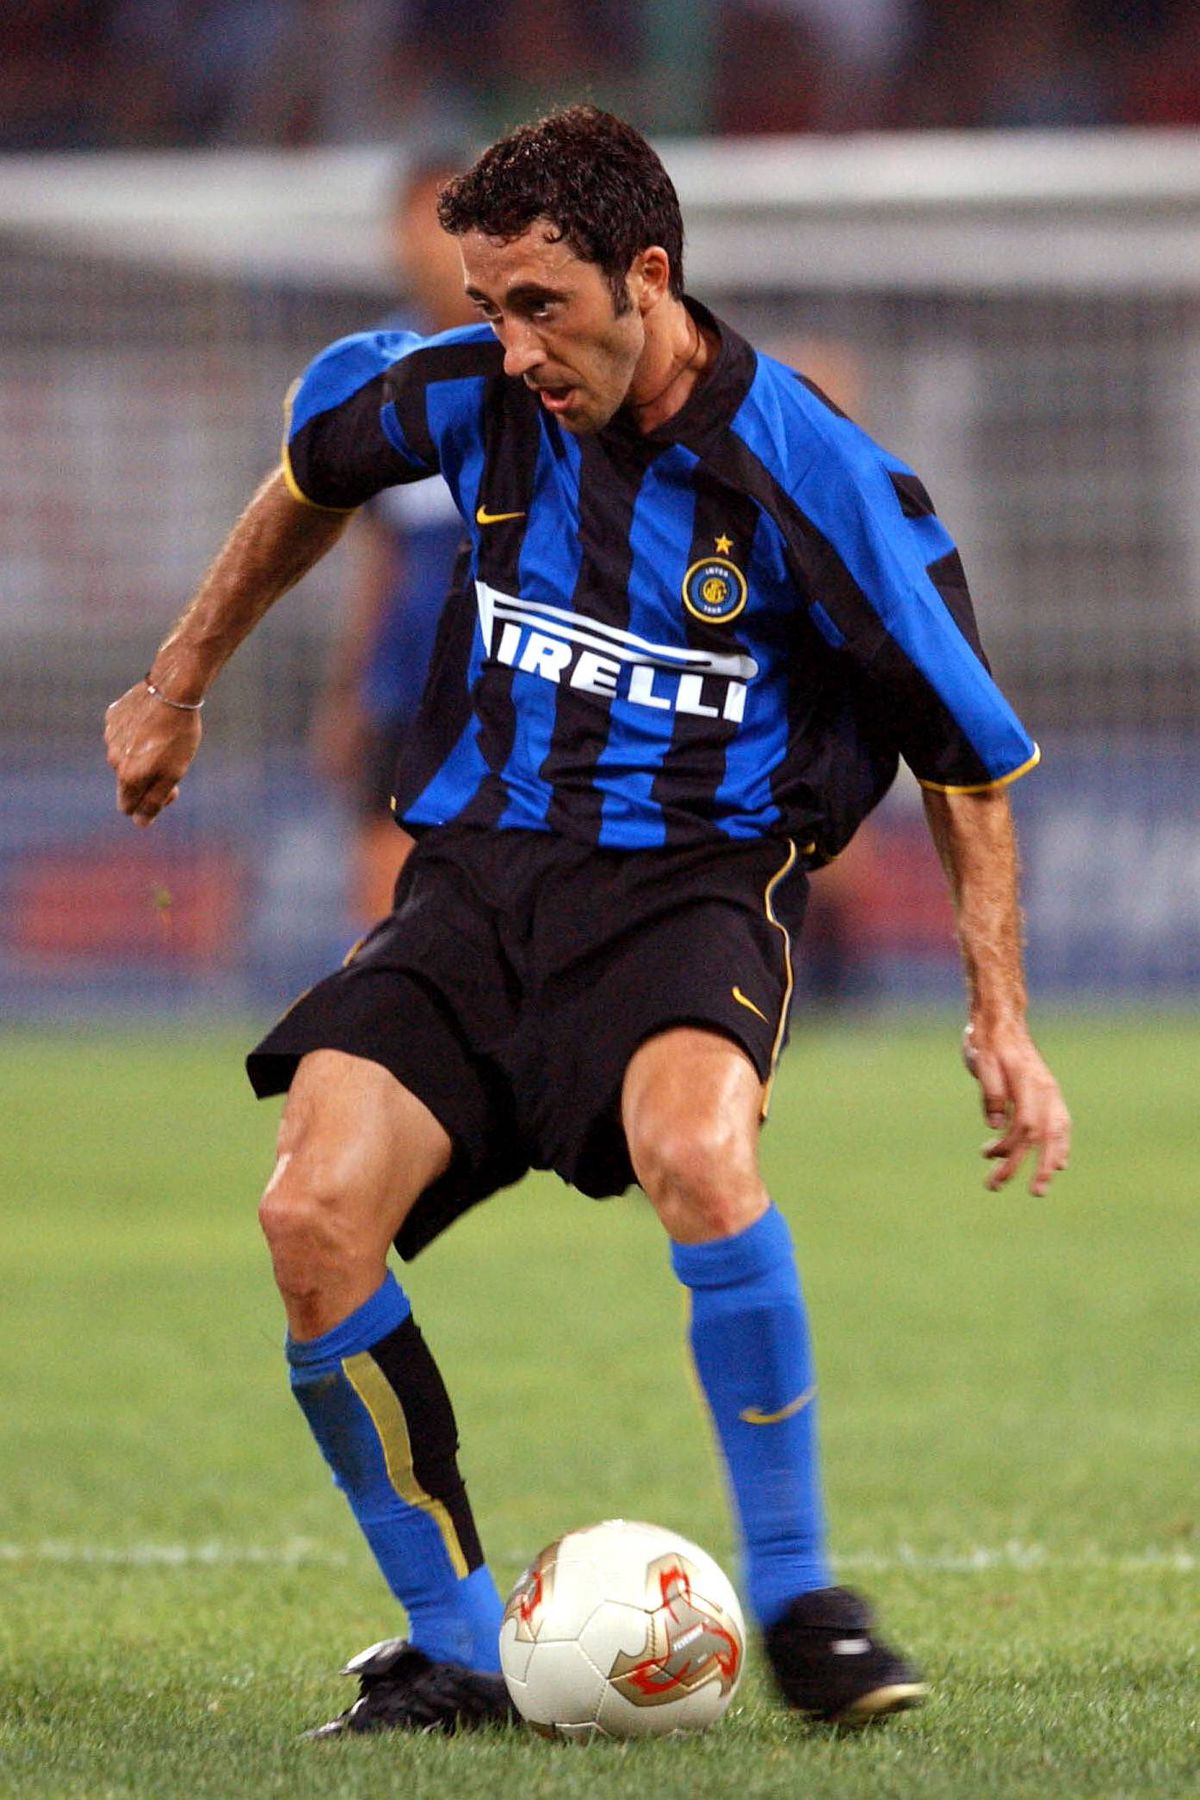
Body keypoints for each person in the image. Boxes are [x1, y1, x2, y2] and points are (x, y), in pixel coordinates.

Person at [104, 105, 1071, 1737]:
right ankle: (456, 1645)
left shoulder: (813, 474)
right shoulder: (473, 392)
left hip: (693, 885)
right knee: (309, 1217)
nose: (513, 347)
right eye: (489, 306)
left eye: (541, 307)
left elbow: (965, 757)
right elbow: (310, 474)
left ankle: (803, 1602)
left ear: (649, 276)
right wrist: (177, 680)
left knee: (699, 1152)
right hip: (477, 880)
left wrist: (1002, 1015)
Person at [309, 157, 475, 924]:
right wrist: (349, 690)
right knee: (382, 910)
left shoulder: (538, 356)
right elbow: (379, 553)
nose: (432, 244)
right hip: (408, 684)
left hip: (520, 679)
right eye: (419, 223)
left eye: (448, 222)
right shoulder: (381, 373)